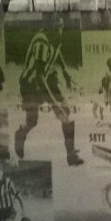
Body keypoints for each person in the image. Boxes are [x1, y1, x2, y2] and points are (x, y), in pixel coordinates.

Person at [14, 16, 83, 166]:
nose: (59, 30)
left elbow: (57, 53)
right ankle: (20, 134)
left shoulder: (55, 38)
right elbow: (39, 78)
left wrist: (65, 72)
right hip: (31, 84)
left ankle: (70, 155)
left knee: (66, 111)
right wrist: (54, 104)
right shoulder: (41, 42)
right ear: (48, 28)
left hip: (46, 79)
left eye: (61, 26)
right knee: (32, 122)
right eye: (56, 26)